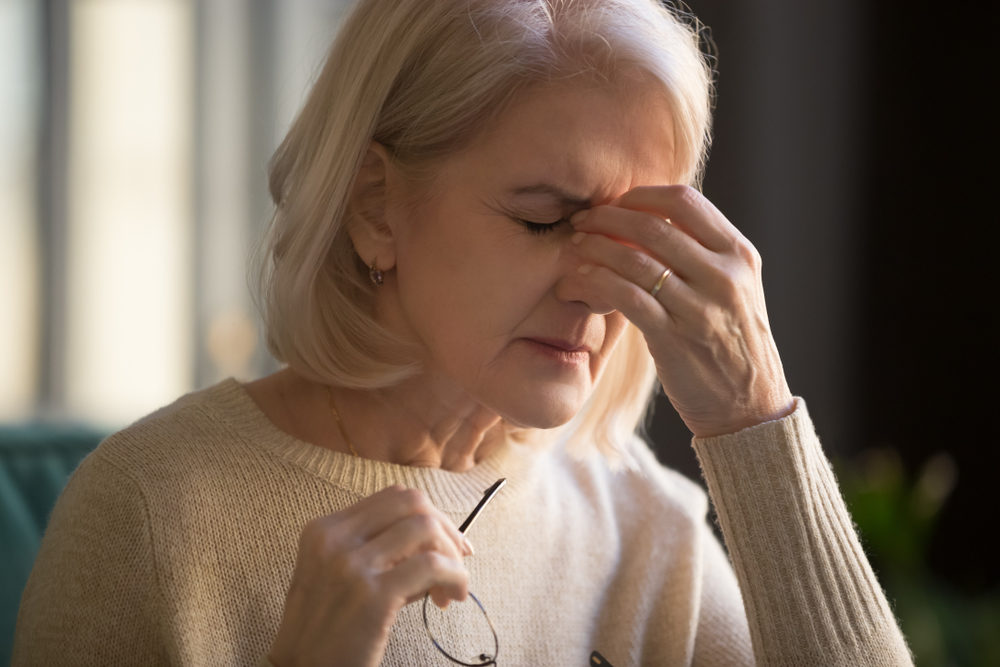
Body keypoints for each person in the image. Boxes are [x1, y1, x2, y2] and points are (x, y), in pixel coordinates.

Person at [13, 0, 913, 665]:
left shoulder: (648, 530)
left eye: (640, 236)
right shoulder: (148, 514)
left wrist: (754, 418)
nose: (600, 288)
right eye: (545, 219)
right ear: (376, 209)